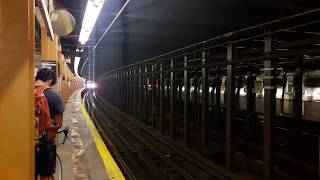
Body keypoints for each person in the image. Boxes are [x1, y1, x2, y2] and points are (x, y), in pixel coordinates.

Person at [35, 68, 64, 180]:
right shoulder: (53, 95)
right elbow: (58, 123)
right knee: (46, 174)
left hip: (22, 142)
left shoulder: (25, 90)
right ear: (50, 80)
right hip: (44, 142)